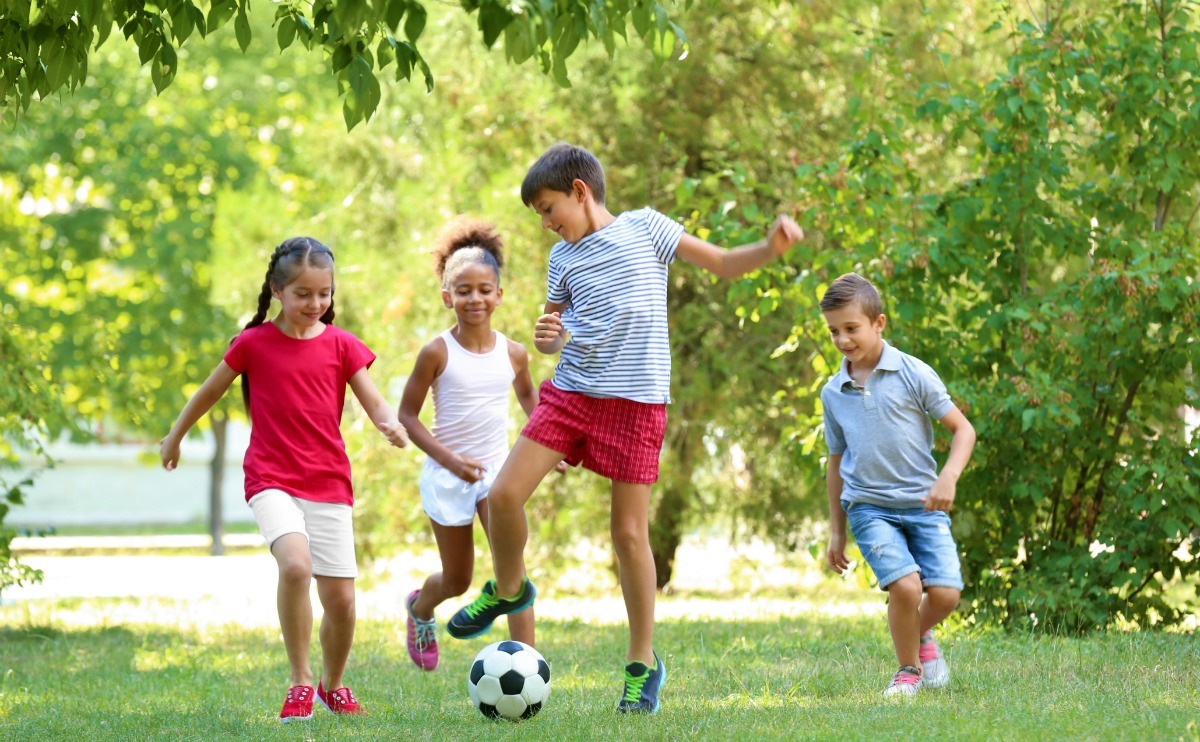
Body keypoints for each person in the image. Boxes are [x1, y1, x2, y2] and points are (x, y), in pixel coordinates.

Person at [445, 142, 804, 714]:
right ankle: (507, 589)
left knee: (629, 536)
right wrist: (549, 340)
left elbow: (721, 263)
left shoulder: (647, 229)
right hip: (571, 394)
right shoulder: (562, 260)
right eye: (537, 214)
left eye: (547, 207)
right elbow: (559, 330)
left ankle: (642, 665)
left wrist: (769, 247)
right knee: (505, 494)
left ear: (580, 192)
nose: (544, 223)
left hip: (636, 404)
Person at [159, 237, 410, 722]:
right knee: (295, 565)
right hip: (271, 476)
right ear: (277, 290)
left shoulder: (342, 344)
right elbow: (208, 392)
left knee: (341, 601)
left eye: (324, 294)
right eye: (303, 294)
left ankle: (331, 684)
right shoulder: (253, 344)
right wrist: (175, 436)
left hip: (328, 481)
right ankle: (298, 681)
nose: (315, 304)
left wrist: (389, 423)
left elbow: (373, 399)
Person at [396, 216, 563, 671]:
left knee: (512, 572)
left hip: (497, 474)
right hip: (447, 474)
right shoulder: (436, 352)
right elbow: (407, 417)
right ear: (447, 296)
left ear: (499, 294)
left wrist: (549, 443)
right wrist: (449, 461)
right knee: (458, 580)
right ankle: (420, 608)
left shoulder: (513, 353)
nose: (475, 298)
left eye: (485, 289)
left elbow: (529, 395)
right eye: (464, 290)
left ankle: (527, 665)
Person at [819, 272, 976, 697]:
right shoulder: (833, 392)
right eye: (834, 330)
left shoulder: (913, 373)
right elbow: (836, 463)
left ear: (879, 323)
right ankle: (908, 669)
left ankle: (919, 636)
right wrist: (837, 530)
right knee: (906, 587)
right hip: (868, 506)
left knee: (945, 595)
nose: (842, 339)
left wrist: (948, 477)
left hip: (923, 502)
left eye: (851, 328)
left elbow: (963, 431)